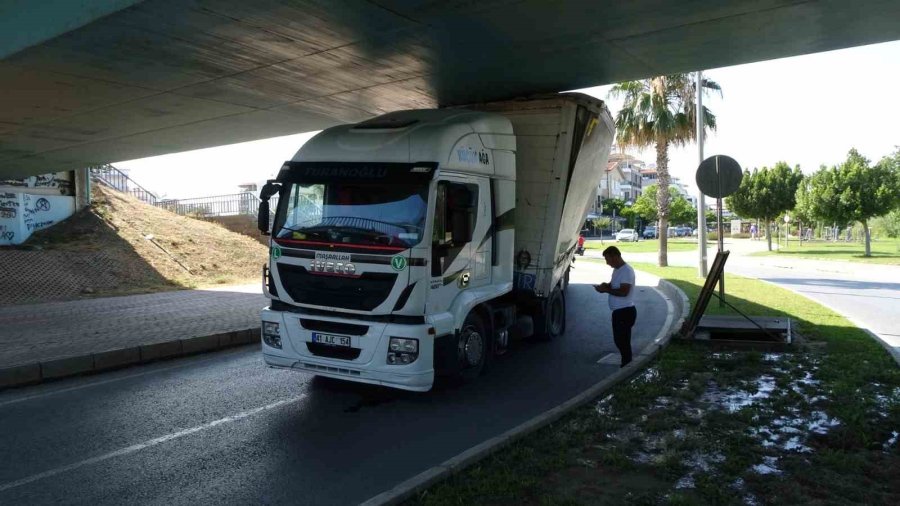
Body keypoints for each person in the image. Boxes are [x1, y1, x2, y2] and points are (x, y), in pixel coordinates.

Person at [594, 246, 637, 367]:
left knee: (622, 341)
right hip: (619, 312)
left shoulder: (627, 271)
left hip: (625, 311)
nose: (607, 263)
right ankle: (626, 363)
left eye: (608, 259)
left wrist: (606, 290)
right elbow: (614, 285)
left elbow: (624, 292)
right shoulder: (617, 270)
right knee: (619, 340)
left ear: (616, 256)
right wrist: (605, 285)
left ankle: (627, 365)